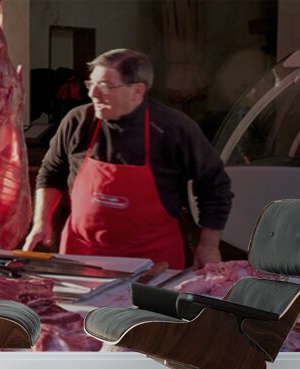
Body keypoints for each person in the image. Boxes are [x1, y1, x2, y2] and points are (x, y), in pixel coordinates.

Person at [22, 49, 232, 270]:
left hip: (153, 264)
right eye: (90, 83)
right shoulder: (78, 121)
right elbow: (52, 172)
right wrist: (41, 221)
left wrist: (208, 245)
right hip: (82, 258)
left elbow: (215, 186)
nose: (93, 93)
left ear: (137, 91)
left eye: (104, 86)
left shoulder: (174, 129)